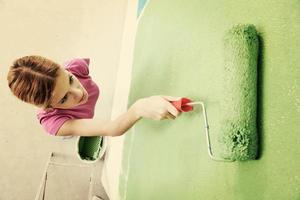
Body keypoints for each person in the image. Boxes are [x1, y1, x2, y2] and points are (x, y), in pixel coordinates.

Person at [7, 55, 181, 137]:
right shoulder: (55, 123)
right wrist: (138, 109)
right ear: (49, 107)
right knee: (72, 133)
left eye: (70, 79)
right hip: (68, 127)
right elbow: (111, 128)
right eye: (63, 98)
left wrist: (69, 84)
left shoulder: (76, 66)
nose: (79, 92)